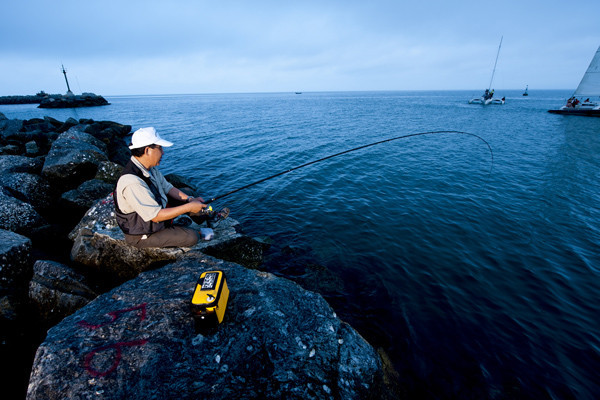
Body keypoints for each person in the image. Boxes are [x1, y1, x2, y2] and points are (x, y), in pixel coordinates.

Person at [114, 127, 222, 248]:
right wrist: (188, 207)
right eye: (160, 148)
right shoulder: (132, 181)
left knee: (187, 194)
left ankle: (210, 215)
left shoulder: (149, 169)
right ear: (147, 150)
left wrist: (190, 200)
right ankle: (197, 232)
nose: (163, 152)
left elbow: (168, 188)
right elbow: (155, 216)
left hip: (155, 219)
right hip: (142, 234)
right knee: (191, 237)